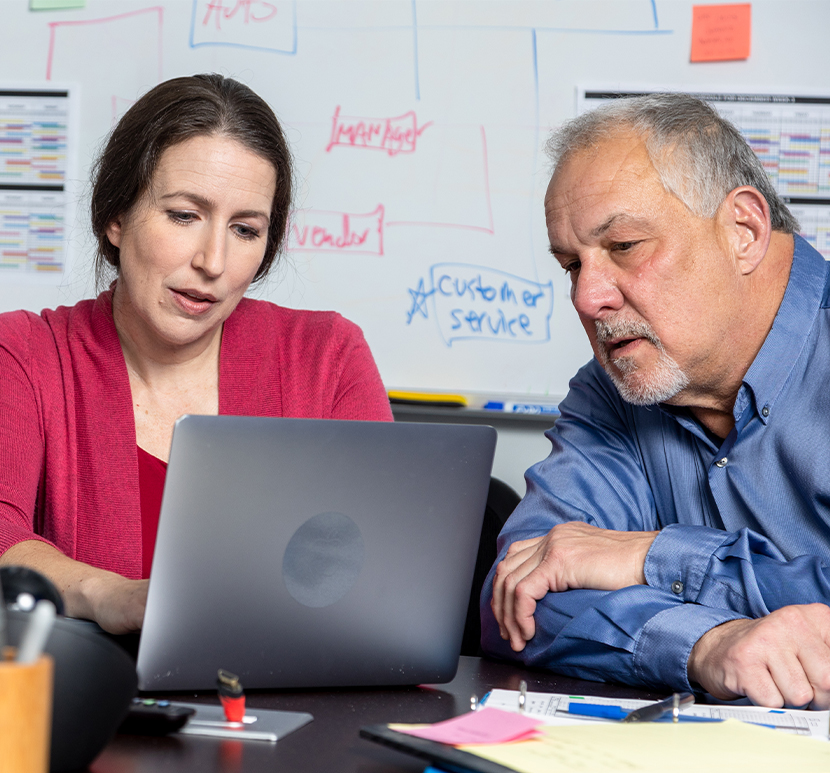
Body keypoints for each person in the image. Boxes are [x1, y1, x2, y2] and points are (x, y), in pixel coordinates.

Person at [0, 74, 392, 634]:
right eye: (184, 216)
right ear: (116, 216)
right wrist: (109, 595)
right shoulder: (23, 354)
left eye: (245, 229)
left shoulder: (327, 355)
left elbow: (382, 559)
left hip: (288, 699)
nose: (213, 261)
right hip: (84, 702)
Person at [481, 93, 830, 709]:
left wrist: (650, 557)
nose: (588, 299)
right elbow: (513, 601)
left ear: (743, 232)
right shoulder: (616, 385)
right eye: (570, 265)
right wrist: (710, 645)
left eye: (625, 247)